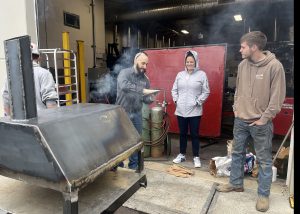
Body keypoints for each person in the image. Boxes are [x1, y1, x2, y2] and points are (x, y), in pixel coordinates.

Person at [216, 31, 286, 212]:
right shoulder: (242, 66)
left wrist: (264, 119)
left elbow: (277, 98)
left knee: (263, 161)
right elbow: (238, 89)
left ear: (254, 47)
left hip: (260, 123)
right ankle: (236, 184)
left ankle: (263, 195)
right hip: (240, 120)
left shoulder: (274, 67)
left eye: (243, 46)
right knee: (237, 154)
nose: (240, 50)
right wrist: (236, 108)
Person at [116, 51, 157, 170]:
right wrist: (143, 91)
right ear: (135, 61)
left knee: (136, 142)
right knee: (121, 141)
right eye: (143, 63)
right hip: (122, 112)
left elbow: (146, 99)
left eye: (146, 64)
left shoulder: (145, 79)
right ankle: (118, 165)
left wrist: (151, 98)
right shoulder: (124, 73)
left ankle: (133, 166)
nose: (145, 66)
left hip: (137, 113)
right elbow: (124, 86)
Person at [171, 50, 210, 168]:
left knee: (194, 134)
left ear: (196, 62)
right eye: (187, 61)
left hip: (195, 111)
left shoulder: (202, 75)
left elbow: (206, 91)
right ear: (185, 62)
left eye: (191, 61)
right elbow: (174, 90)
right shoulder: (180, 75)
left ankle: (196, 157)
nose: (189, 63)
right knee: (182, 133)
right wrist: (176, 100)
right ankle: (182, 154)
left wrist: (198, 102)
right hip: (181, 110)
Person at [2, 43, 58, 116]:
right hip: (41, 120)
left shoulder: (11, 75)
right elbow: (50, 100)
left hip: (18, 120)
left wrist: (9, 119)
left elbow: (6, 98)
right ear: (38, 58)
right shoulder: (44, 73)